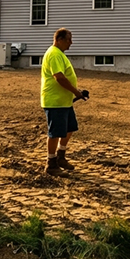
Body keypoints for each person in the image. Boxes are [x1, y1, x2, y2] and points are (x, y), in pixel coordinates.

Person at [40, 27, 86, 177]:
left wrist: (76, 91)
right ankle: (51, 163)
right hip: (55, 101)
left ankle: (60, 156)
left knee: (69, 128)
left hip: (64, 101)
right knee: (55, 132)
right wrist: (75, 92)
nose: (71, 43)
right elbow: (59, 77)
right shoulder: (54, 54)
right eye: (68, 40)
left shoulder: (59, 54)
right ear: (59, 40)